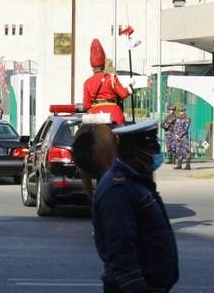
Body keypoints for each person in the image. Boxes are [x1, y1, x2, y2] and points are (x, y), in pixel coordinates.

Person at [93, 119, 179, 293]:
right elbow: (120, 250)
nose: (156, 156)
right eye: (152, 151)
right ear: (135, 153)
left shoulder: (136, 180)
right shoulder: (118, 189)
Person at [83, 39, 132, 126]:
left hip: (94, 115)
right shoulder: (111, 78)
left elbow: (86, 105)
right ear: (103, 64)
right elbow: (123, 94)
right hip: (113, 113)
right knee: (123, 134)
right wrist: (130, 87)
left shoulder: (87, 83)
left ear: (92, 67)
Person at [172, 106, 192, 170]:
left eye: (182, 111)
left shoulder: (187, 119)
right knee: (178, 151)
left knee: (186, 151)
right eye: (180, 111)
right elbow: (175, 127)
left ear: (185, 111)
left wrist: (179, 135)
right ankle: (179, 164)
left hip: (184, 137)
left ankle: (188, 165)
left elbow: (185, 129)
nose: (181, 112)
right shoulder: (177, 119)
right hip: (177, 138)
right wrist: (175, 134)